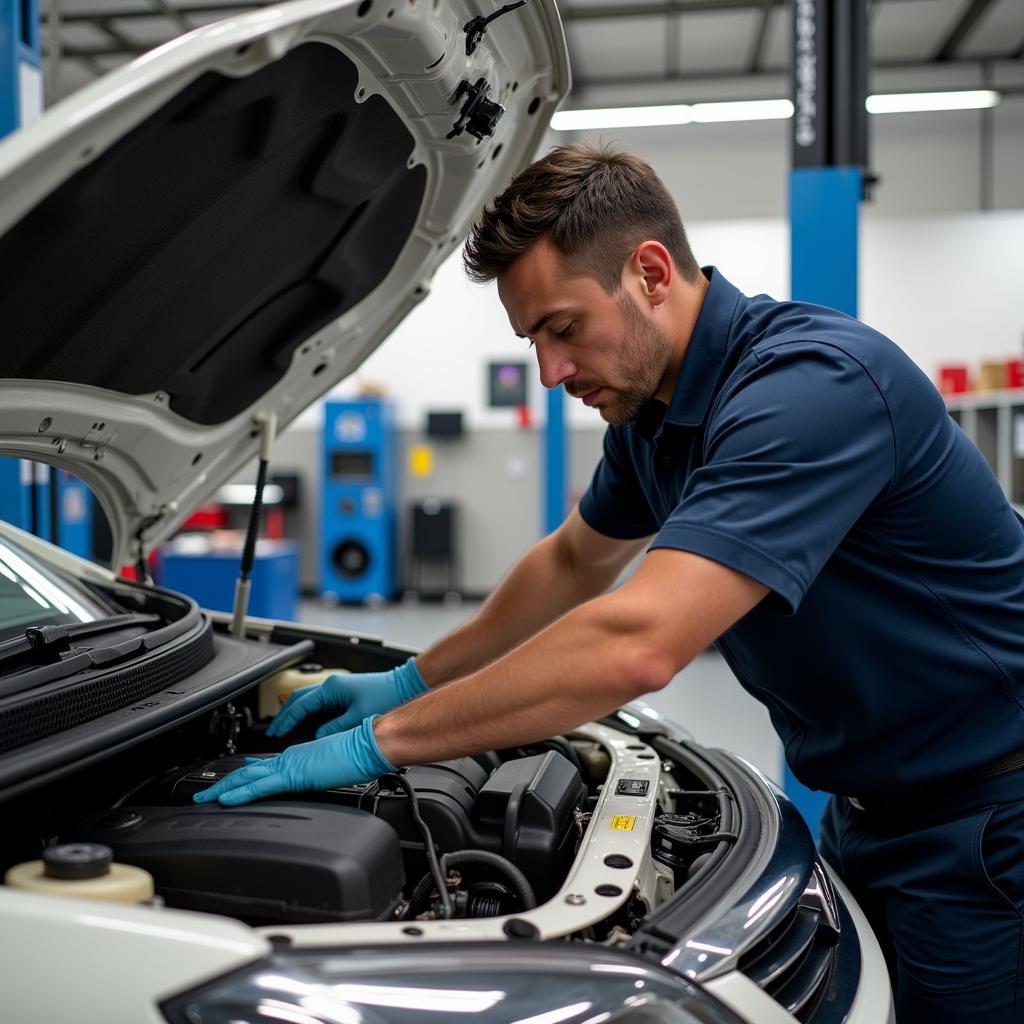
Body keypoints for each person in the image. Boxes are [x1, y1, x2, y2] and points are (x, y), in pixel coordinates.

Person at [196, 144, 1024, 1022]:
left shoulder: (812, 388)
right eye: (532, 342)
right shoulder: (652, 414)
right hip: (870, 807)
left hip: (988, 818)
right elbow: (572, 563)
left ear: (651, 272)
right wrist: (410, 678)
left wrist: (387, 741)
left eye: (562, 328)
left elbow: (638, 642)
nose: (551, 374)